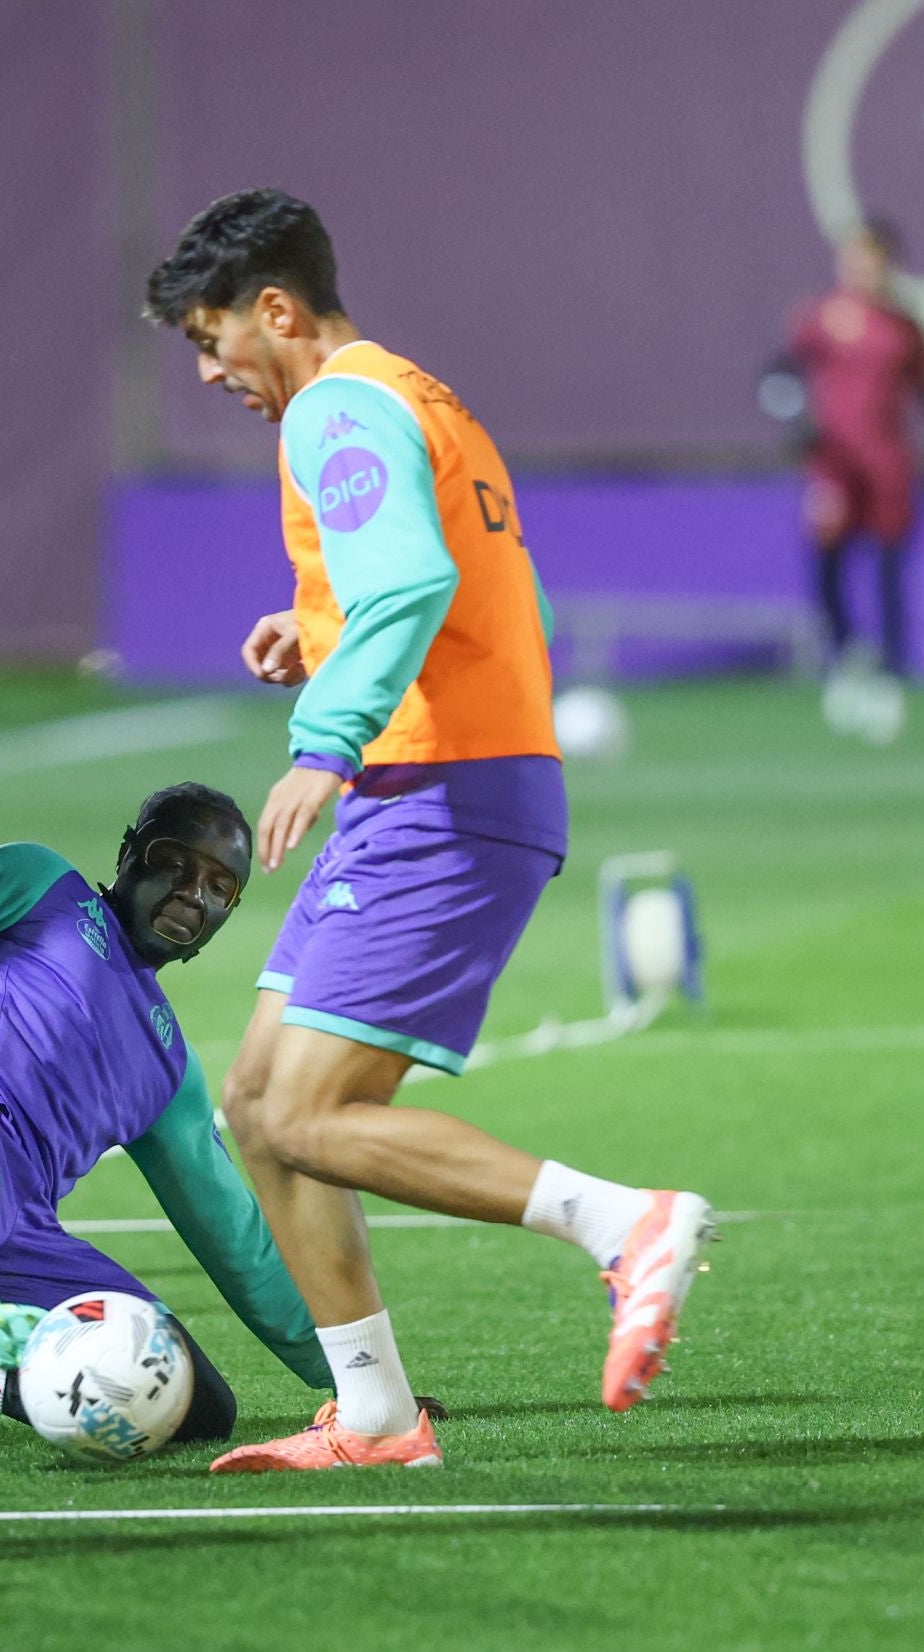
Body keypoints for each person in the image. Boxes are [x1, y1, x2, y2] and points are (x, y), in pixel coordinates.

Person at [146, 189, 714, 1473]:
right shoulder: (422, 394)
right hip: (443, 782)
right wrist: (327, 632)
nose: (209, 368)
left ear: (275, 309)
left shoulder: (337, 407)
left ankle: (623, 1223)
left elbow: (409, 577)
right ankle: (378, 1415)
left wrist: (324, 738)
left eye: (211, 333)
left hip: (438, 794)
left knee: (308, 1113)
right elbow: (474, 587)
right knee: (256, 1102)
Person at [0, 786, 331, 1452]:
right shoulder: (36, 882)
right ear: (129, 855)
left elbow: (237, 1241)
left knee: (186, 1403)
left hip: (23, 1227)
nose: (194, 892)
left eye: (220, 886)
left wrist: (348, 1374)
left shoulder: (170, 1068)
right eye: (177, 862)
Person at [770, 219, 924, 740]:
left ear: (888, 266)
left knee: (889, 568)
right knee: (828, 563)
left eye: (871, 261)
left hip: (889, 463)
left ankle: (893, 674)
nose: (861, 271)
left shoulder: (904, 327)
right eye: (853, 259)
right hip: (834, 464)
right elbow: (781, 373)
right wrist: (791, 415)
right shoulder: (821, 318)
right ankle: (844, 655)